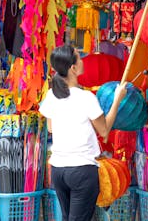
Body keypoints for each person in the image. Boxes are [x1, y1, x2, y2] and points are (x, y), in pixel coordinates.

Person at [39, 45, 127, 221]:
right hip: (81, 169)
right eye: (79, 57)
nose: (82, 60)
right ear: (72, 68)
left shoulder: (51, 95)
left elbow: (50, 128)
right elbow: (104, 131)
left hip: (58, 169)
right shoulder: (85, 97)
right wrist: (117, 99)